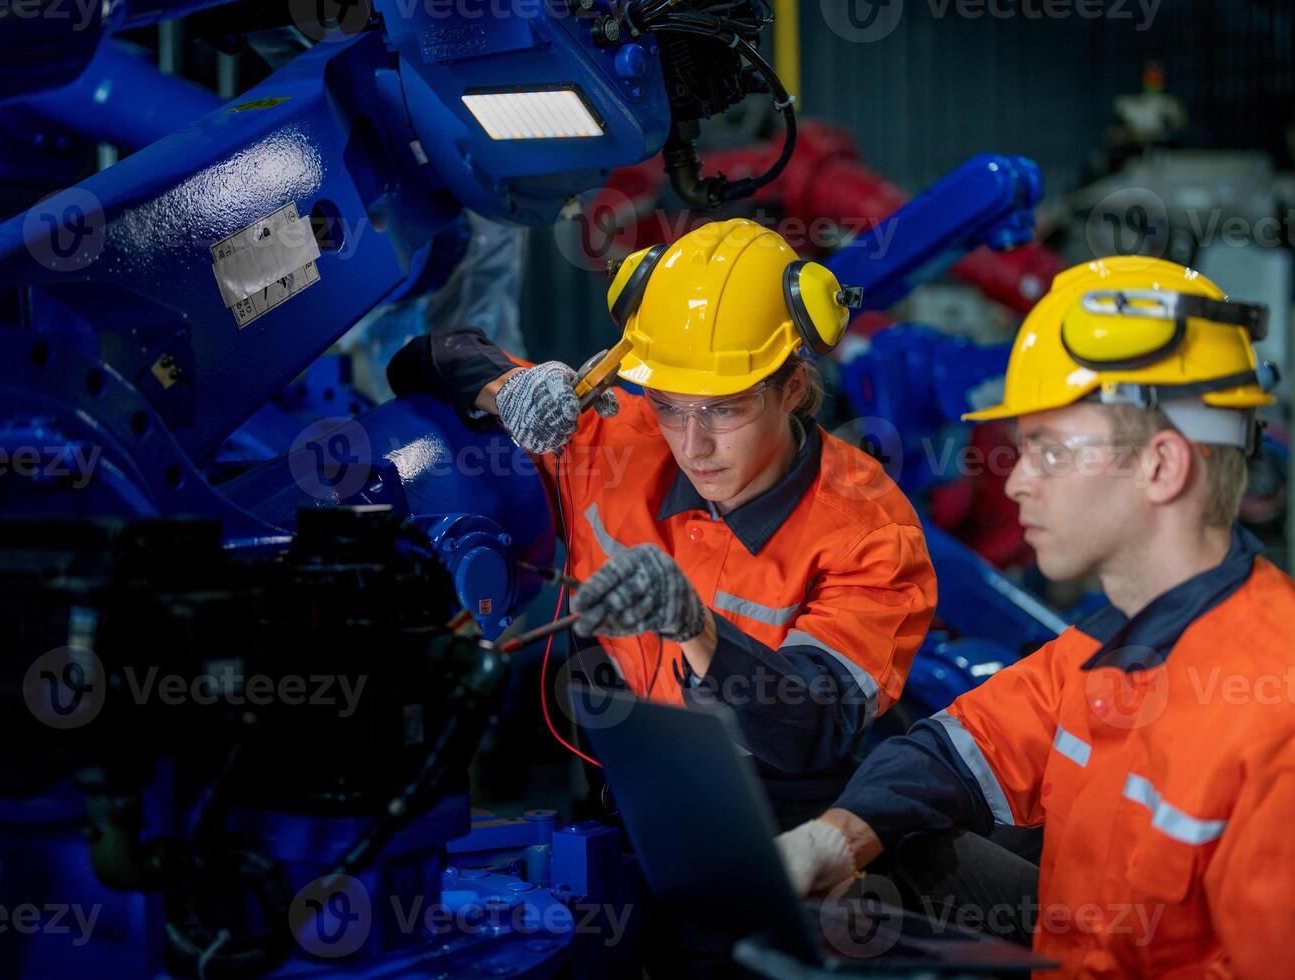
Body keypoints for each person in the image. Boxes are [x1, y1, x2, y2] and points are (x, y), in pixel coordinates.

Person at [775, 256, 1295, 976]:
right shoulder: (1112, 644)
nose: (1013, 478)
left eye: (1048, 449)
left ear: (1161, 467)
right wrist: (835, 838)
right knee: (899, 839)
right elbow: (959, 747)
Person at [388, 218, 937, 825]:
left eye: (724, 409)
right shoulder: (614, 441)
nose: (693, 445)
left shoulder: (871, 532)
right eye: (670, 406)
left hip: (781, 836)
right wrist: (509, 390)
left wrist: (695, 628)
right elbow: (425, 359)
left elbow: (810, 729)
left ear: (793, 389)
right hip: (618, 803)